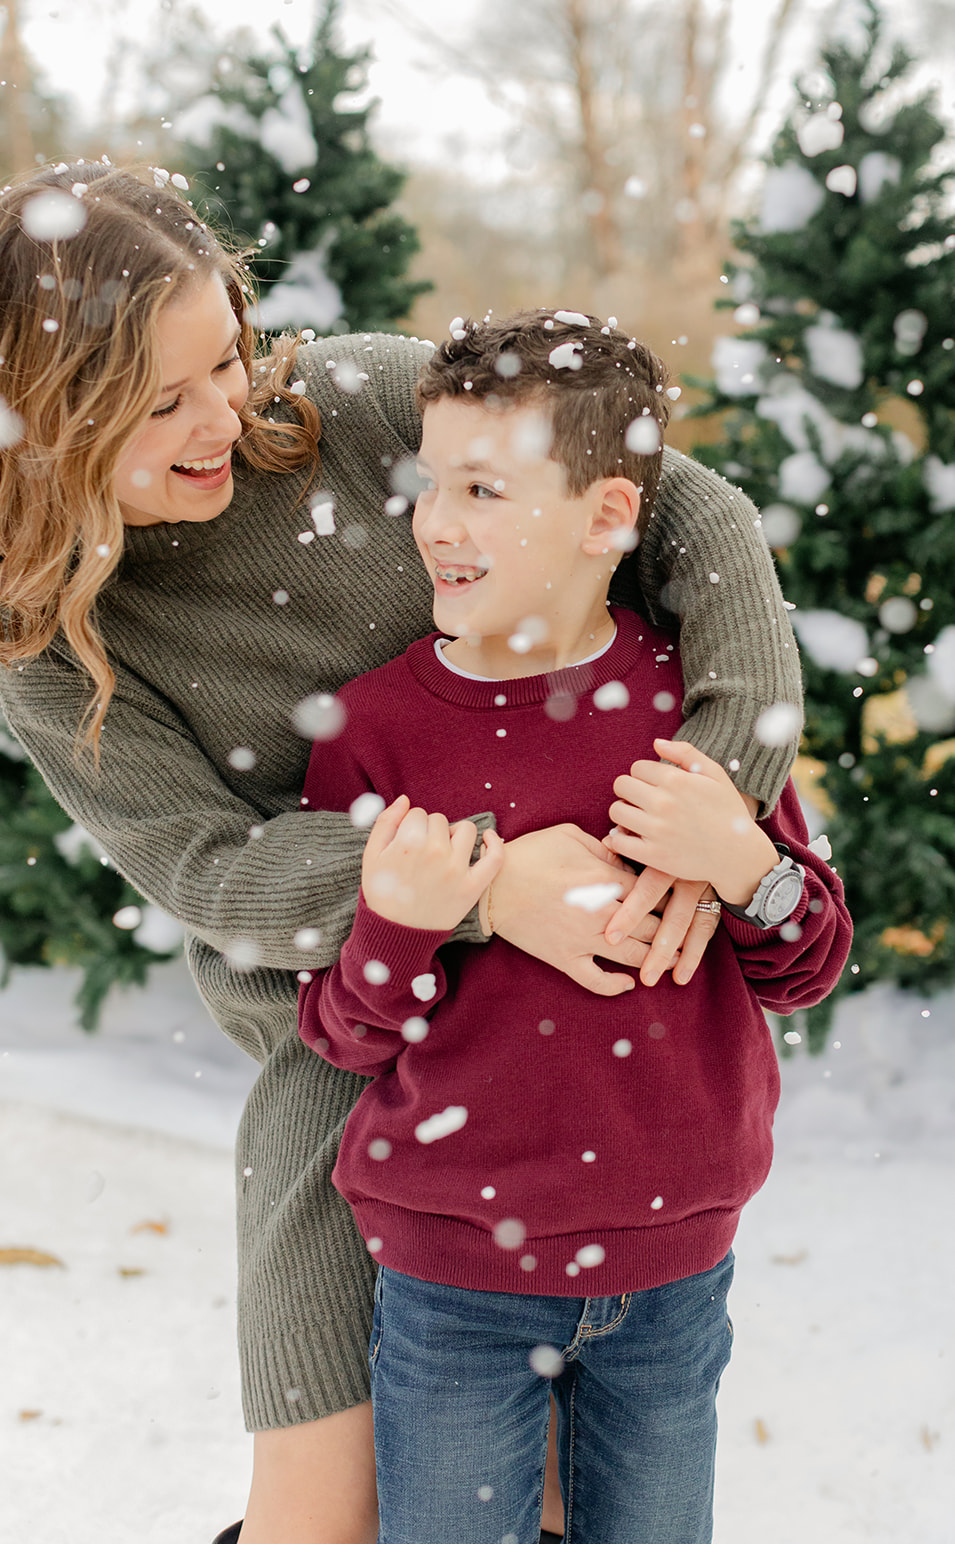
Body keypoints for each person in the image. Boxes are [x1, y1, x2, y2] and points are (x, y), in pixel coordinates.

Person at [0, 165, 804, 1544]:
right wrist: (481, 880)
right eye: (162, 402)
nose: (226, 416)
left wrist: (717, 804)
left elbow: (697, 517)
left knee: (572, 1501)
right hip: (346, 1072)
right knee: (318, 1519)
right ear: (52, 417)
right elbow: (210, 871)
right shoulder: (53, 636)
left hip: (572, 1067)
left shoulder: (363, 406)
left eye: (226, 358)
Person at [298, 312, 853, 1544]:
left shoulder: (693, 709)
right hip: (452, 1282)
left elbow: (807, 959)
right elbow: (338, 1033)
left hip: (673, 1271)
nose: (436, 522)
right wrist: (399, 925)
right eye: (428, 483)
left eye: (484, 489)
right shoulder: (374, 731)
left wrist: (741, 862)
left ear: (607, 515)